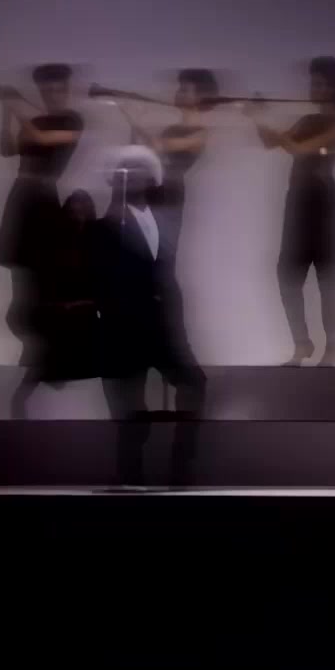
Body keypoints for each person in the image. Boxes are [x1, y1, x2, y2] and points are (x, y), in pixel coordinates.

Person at [92, 146, 206, 490]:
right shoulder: (105, 225)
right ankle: (129, 474)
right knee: (128, 402)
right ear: (115, 179)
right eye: (125, 170)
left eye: (140, 169)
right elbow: (99, 278)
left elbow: (179, 170)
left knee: (194, 383)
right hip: (125, 327)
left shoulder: (166, 214)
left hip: (166, 324)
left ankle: (181, 466)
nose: (133, 175)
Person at [249, 56, 335, 367]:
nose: (313, 88)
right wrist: (258, 117)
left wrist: (277, 131)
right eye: (313, 82)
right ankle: (302, 344)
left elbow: (298, 149)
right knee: (287, 274)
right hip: (297, 201)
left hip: (322, 202)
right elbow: (270, 143)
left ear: (334, 89)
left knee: (327, 277)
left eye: (320, 84)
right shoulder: (308, 120)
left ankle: (333, 349)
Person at [0, 64, 85, 372]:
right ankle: (34, 350)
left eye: (59, 89)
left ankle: (47, 351)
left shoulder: (73, 120)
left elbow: (43, 139)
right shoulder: (34, 121)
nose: (53, 95)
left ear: (66, 90)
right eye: (48, 90)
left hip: (43, 201)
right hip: (21, 197)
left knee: (41, 277)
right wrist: (7, 109)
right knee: (21, 276)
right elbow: (7, 149)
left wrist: (15, 104)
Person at [9, 191, 102, 419]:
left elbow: (101, 284)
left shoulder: (95, 244)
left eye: (81, 212)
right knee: (41, 365)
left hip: (81, 315)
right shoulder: (56, 244)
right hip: (58, 316)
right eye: (73, 212)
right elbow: (44, 281)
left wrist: (83, 303)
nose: (77, 217)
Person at [115, 68, 218, 255]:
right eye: (180, 89)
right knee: (144, 251)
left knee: (162, 253)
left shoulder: (201, 133)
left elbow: (159, 145)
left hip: (170, 195)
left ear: (200, 97)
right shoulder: (171, 129)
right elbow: (150, 152)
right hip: (152, 191)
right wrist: (134, 122)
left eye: (185, 90)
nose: (178, 93)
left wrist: (134, 120)